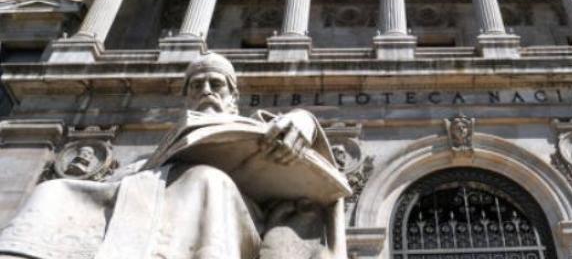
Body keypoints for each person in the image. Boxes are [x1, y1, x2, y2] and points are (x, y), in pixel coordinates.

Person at [0, 52, 346, 259]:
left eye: (216, 84)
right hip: (151, 198)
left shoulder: (257, 124)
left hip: (235, 215)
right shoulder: (173, 139)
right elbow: (129, 179)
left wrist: (304, 121)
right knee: (54, 191)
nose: (206, 90)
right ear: (186, 98)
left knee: (204, 179)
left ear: (232, 96)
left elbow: (318, 171)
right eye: (197, 85)